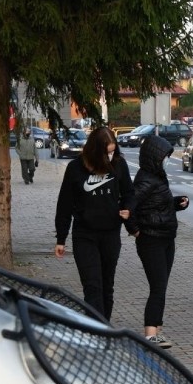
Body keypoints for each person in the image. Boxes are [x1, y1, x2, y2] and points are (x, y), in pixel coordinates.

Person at [54, 126, 134, 322]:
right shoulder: (76, 168)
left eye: (113, 150)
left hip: (110, 234)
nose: (110, 155)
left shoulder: (119, 165)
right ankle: (95, 330)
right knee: (92, 286)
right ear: (95, 150)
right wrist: (61, 238)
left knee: (107, 285)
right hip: (85, 235)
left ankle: (104, 327)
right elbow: (64, 204)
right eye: (107, 152)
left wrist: (128, 209)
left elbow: (129, 193)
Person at [125, 136, 189, 349]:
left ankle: (157, 331)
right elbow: (127, 208)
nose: (167, 160)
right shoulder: (146, 179)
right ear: (155, 157)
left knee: (161, 286)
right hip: (151, 240)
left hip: (166, 239)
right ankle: (150, 334)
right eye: (165, 157)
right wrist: (134, 231)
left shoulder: (158, 177)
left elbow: (156, 205)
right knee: (158, 287)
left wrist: (175, 203)